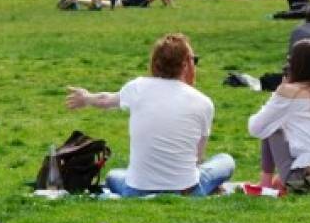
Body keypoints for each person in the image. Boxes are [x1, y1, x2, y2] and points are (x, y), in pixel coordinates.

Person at [66, 33, 235, 196]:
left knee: (113, 176)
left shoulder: (137, 88)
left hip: (136, 189)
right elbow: (197, 158)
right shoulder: (203, 102)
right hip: (186, 190)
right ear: (185, 65)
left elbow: (105, 100)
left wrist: (86, 98)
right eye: (194, 61)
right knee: (225, 161)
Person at [249, 39, 310, 189]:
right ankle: (274, 181)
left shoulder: (290, 92)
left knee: (271, 125)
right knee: (276, 123)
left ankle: (265, 182)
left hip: (303, 178)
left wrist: (277, 93)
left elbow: (256, 127)